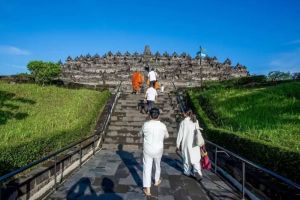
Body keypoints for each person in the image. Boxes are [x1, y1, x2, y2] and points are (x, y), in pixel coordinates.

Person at [139, 108, 169, 196]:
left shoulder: (145, 125)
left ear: (149, 115)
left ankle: (147, 189)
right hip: (158, 149)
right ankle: (156, 180)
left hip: (148, 149)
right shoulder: (162, 126)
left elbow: (140, 133)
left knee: (147, 167)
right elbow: (167, 136)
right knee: (157, 164)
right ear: (158, 115)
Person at [176, 109, 204, 181]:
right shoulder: (195, 121)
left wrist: (178, 144)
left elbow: (180, 135)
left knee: (187, 158)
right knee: (196, 158)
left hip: (186, 143)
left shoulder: (183, 122)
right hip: (195, 143)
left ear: (185, 114)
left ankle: (187, 172)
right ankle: (198, 172)